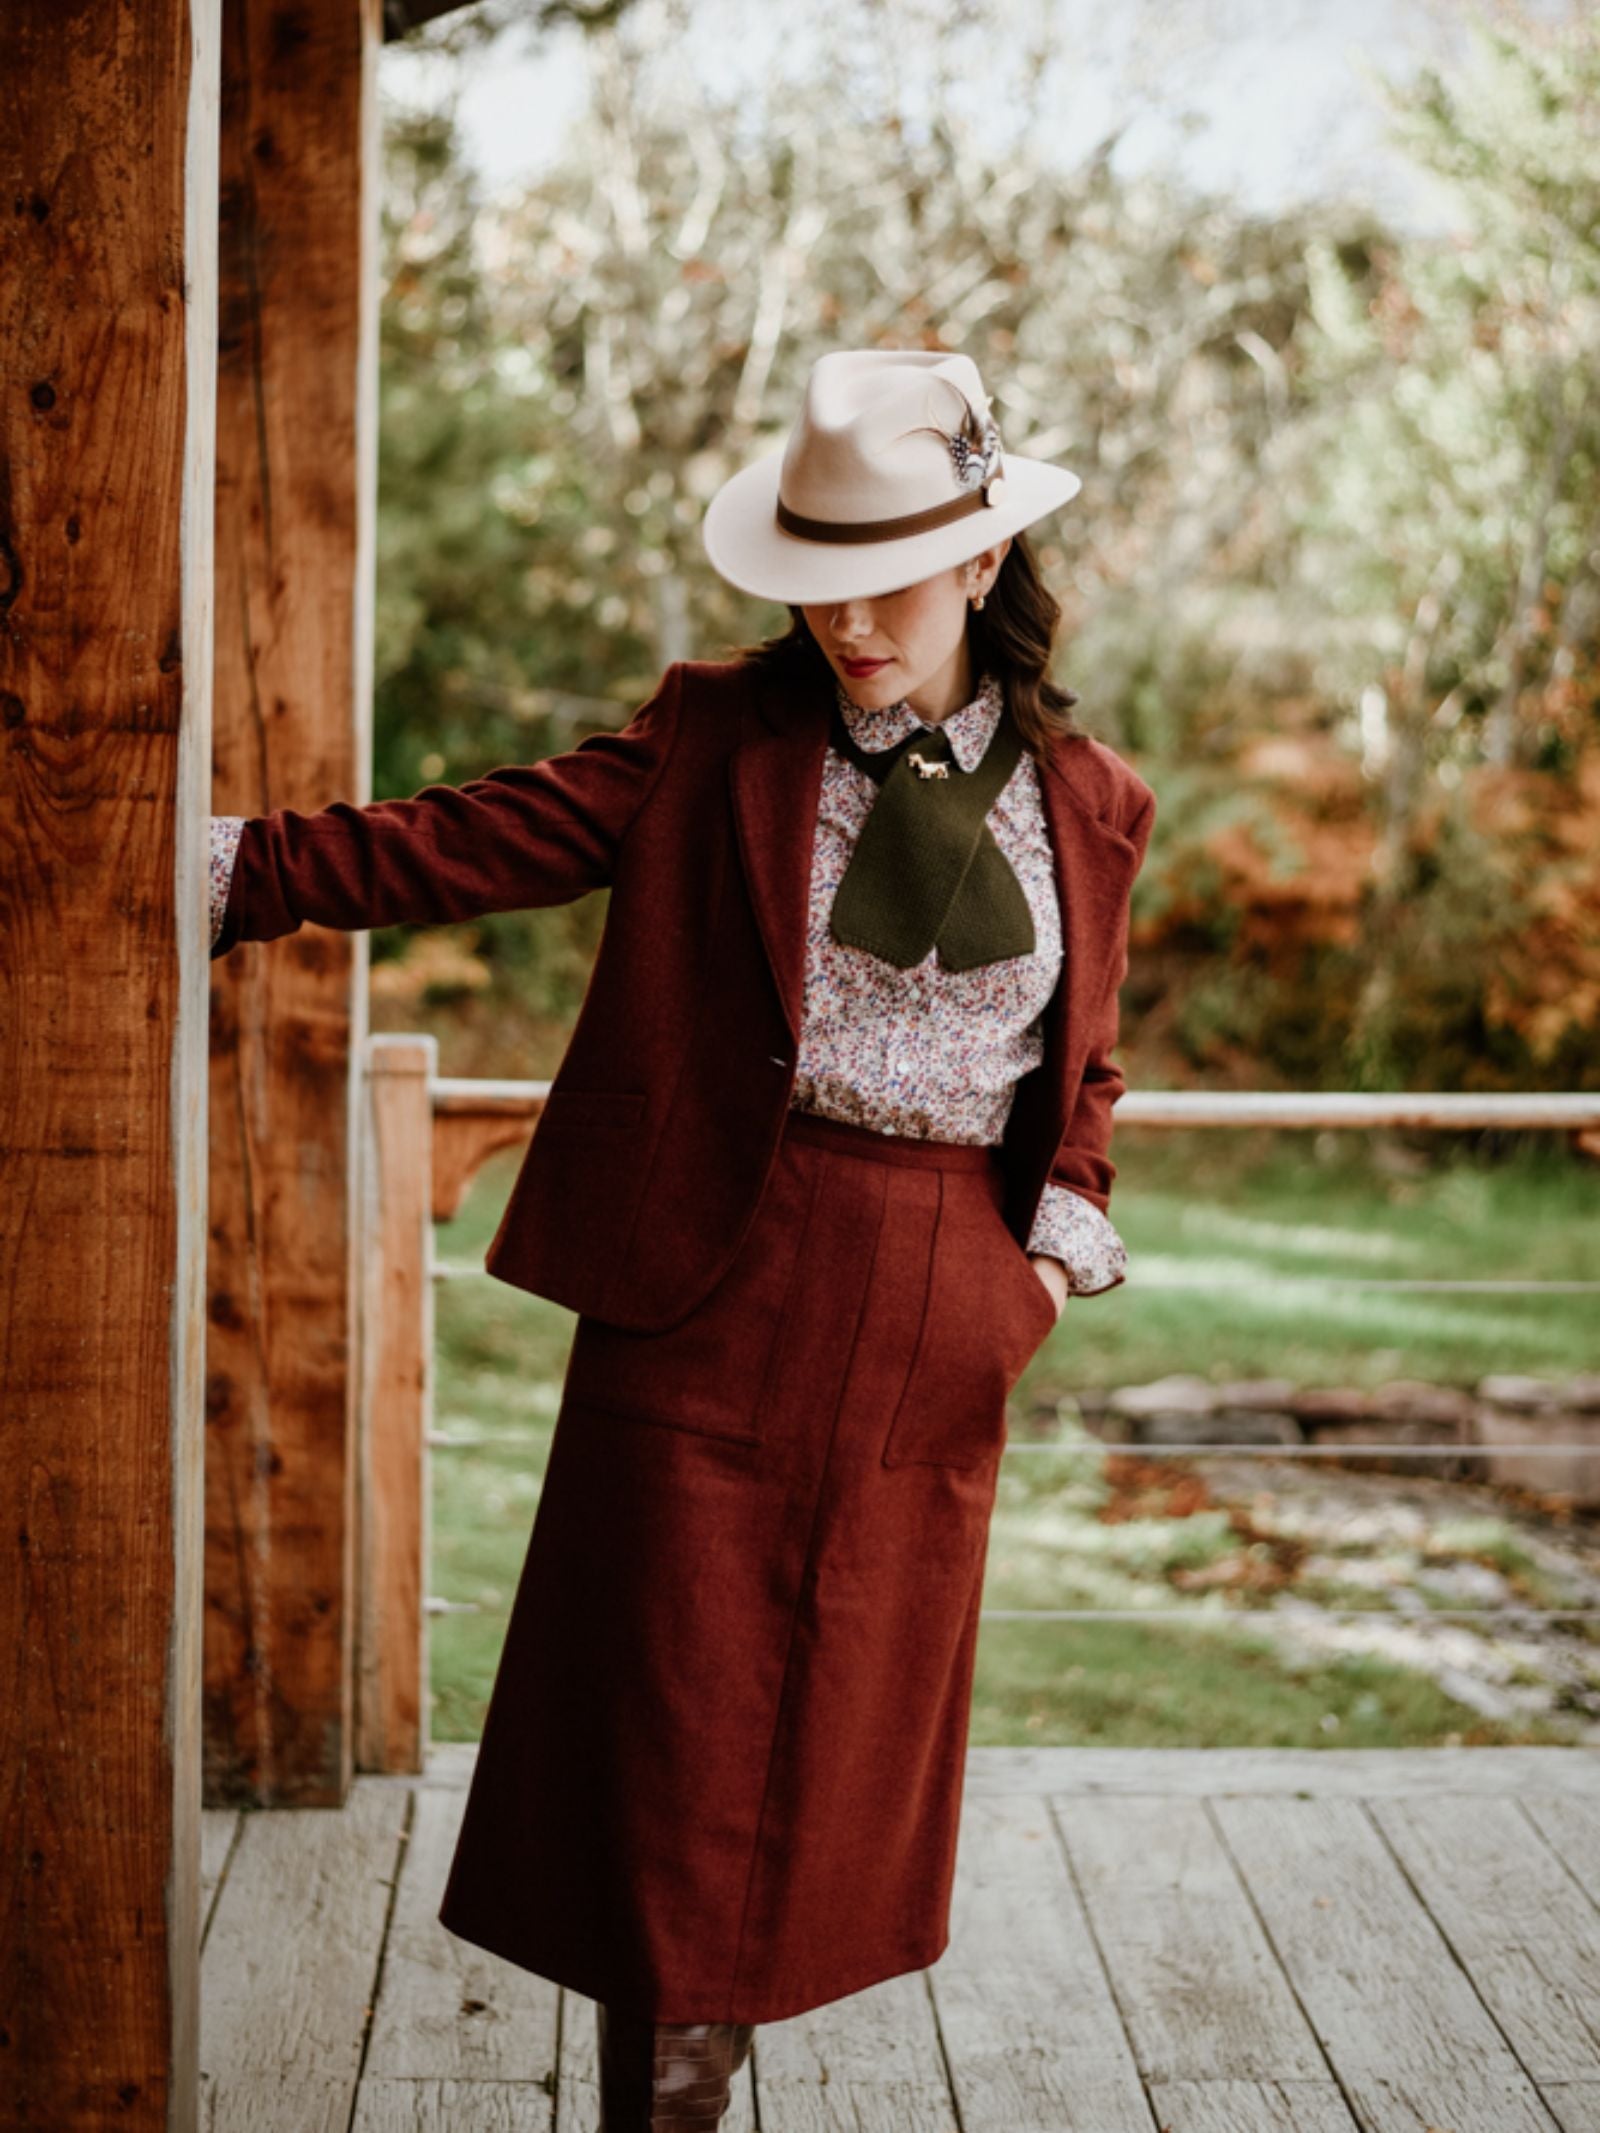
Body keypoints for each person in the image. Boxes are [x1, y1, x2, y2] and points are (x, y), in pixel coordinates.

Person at [208, 347, 1157, 2130]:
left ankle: (700, 2078)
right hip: (711, 1278)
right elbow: (477, 837)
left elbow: (1084, 1058)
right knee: (675, 1734)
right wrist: (239, 873)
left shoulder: (1095, 801)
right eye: (815, 584)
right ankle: (665, 2105)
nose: (848, 621)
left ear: (979, 560)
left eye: (885, 577)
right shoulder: (719, 732)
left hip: (944, 1292)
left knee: (834, 1734)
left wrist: (1044, 1260)